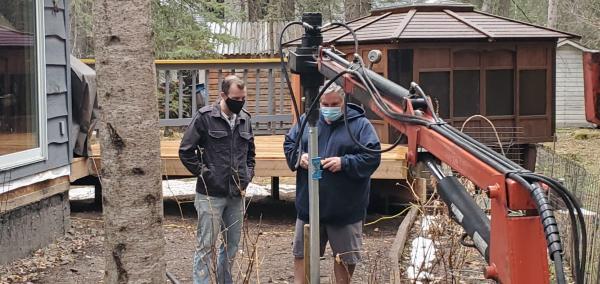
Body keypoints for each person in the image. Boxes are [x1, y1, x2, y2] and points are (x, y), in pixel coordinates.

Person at [283, 82, 381, 284]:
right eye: (325, 104)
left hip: (345, 209)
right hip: (309, 207)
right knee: (302, 254)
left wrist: (344, 162)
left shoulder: (360, 125)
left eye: (334, 104)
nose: (329, 109)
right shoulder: (308, 121)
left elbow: (372, 156)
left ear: (343, 102)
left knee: (345, 258)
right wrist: (300, 157)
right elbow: (289, 144)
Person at [179, 75, 256, 284]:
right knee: (206, 246)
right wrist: (205, 174)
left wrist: (247, 175)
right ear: (223, 95)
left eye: (243, 98)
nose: (240, 102)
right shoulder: (204, 117)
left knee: (231, 246)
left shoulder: (245, 119)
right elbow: (186, 151)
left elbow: (250, 154)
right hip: (210, 194)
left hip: (236, 194)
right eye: (235, 98)